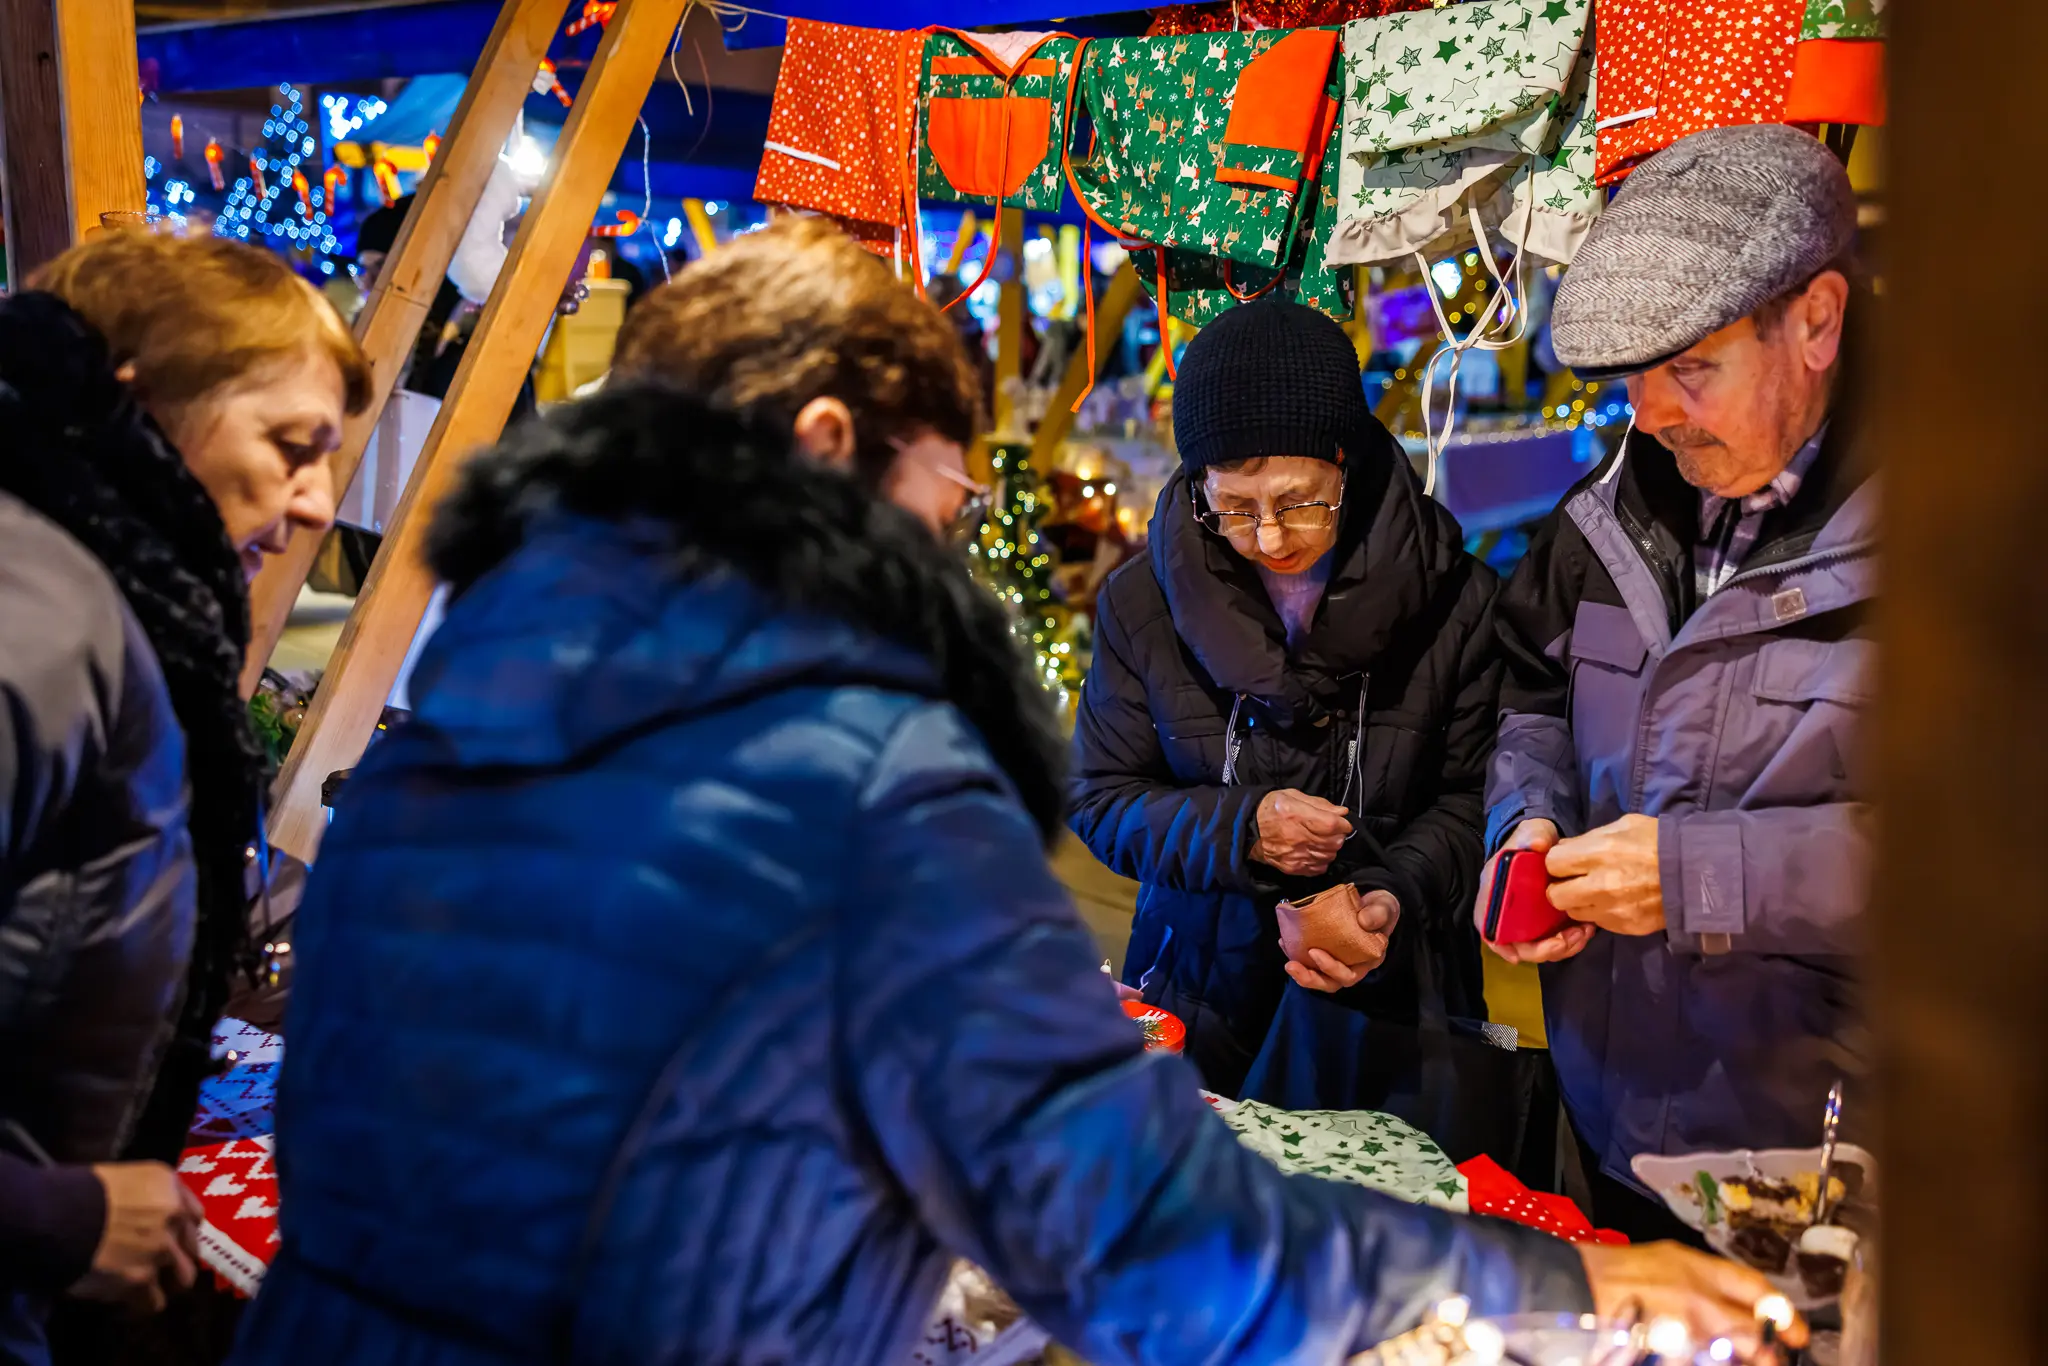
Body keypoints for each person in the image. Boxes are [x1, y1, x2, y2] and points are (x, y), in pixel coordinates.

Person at [227, 219, 1791, 1366]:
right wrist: (1561, 1290)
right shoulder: (851, 784)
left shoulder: (444, 726)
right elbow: (1151, 1238)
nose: (958, 534)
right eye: (946, 488)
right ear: (833, 448)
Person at [1479, 124, 1873, 1241]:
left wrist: (1700, 874)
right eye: (1634, 376)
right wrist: (1526, 821)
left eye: (1688, 369)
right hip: (1610, 1119)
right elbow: (1528, 700)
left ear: (1816, 323)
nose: (1647, 414)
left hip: (1826, 1167)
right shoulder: (1607, 510)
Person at [0, 230, 367, 1362]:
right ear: (139, 405)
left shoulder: (111, 600)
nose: (313, 505)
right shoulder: (40, 618)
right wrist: (52, 1220)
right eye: (290, 446)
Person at [1068, 300, 1502, 1130]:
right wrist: (1242, 831)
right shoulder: (1141, 602)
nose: (1269, 538)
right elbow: (1098, 795)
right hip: (1196, 992)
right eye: (1233, 507)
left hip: (1394, 1010)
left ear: (1349, 462)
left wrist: (1391, 894)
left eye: (1300, 501)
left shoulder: (1460, 600)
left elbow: (1477, 800)